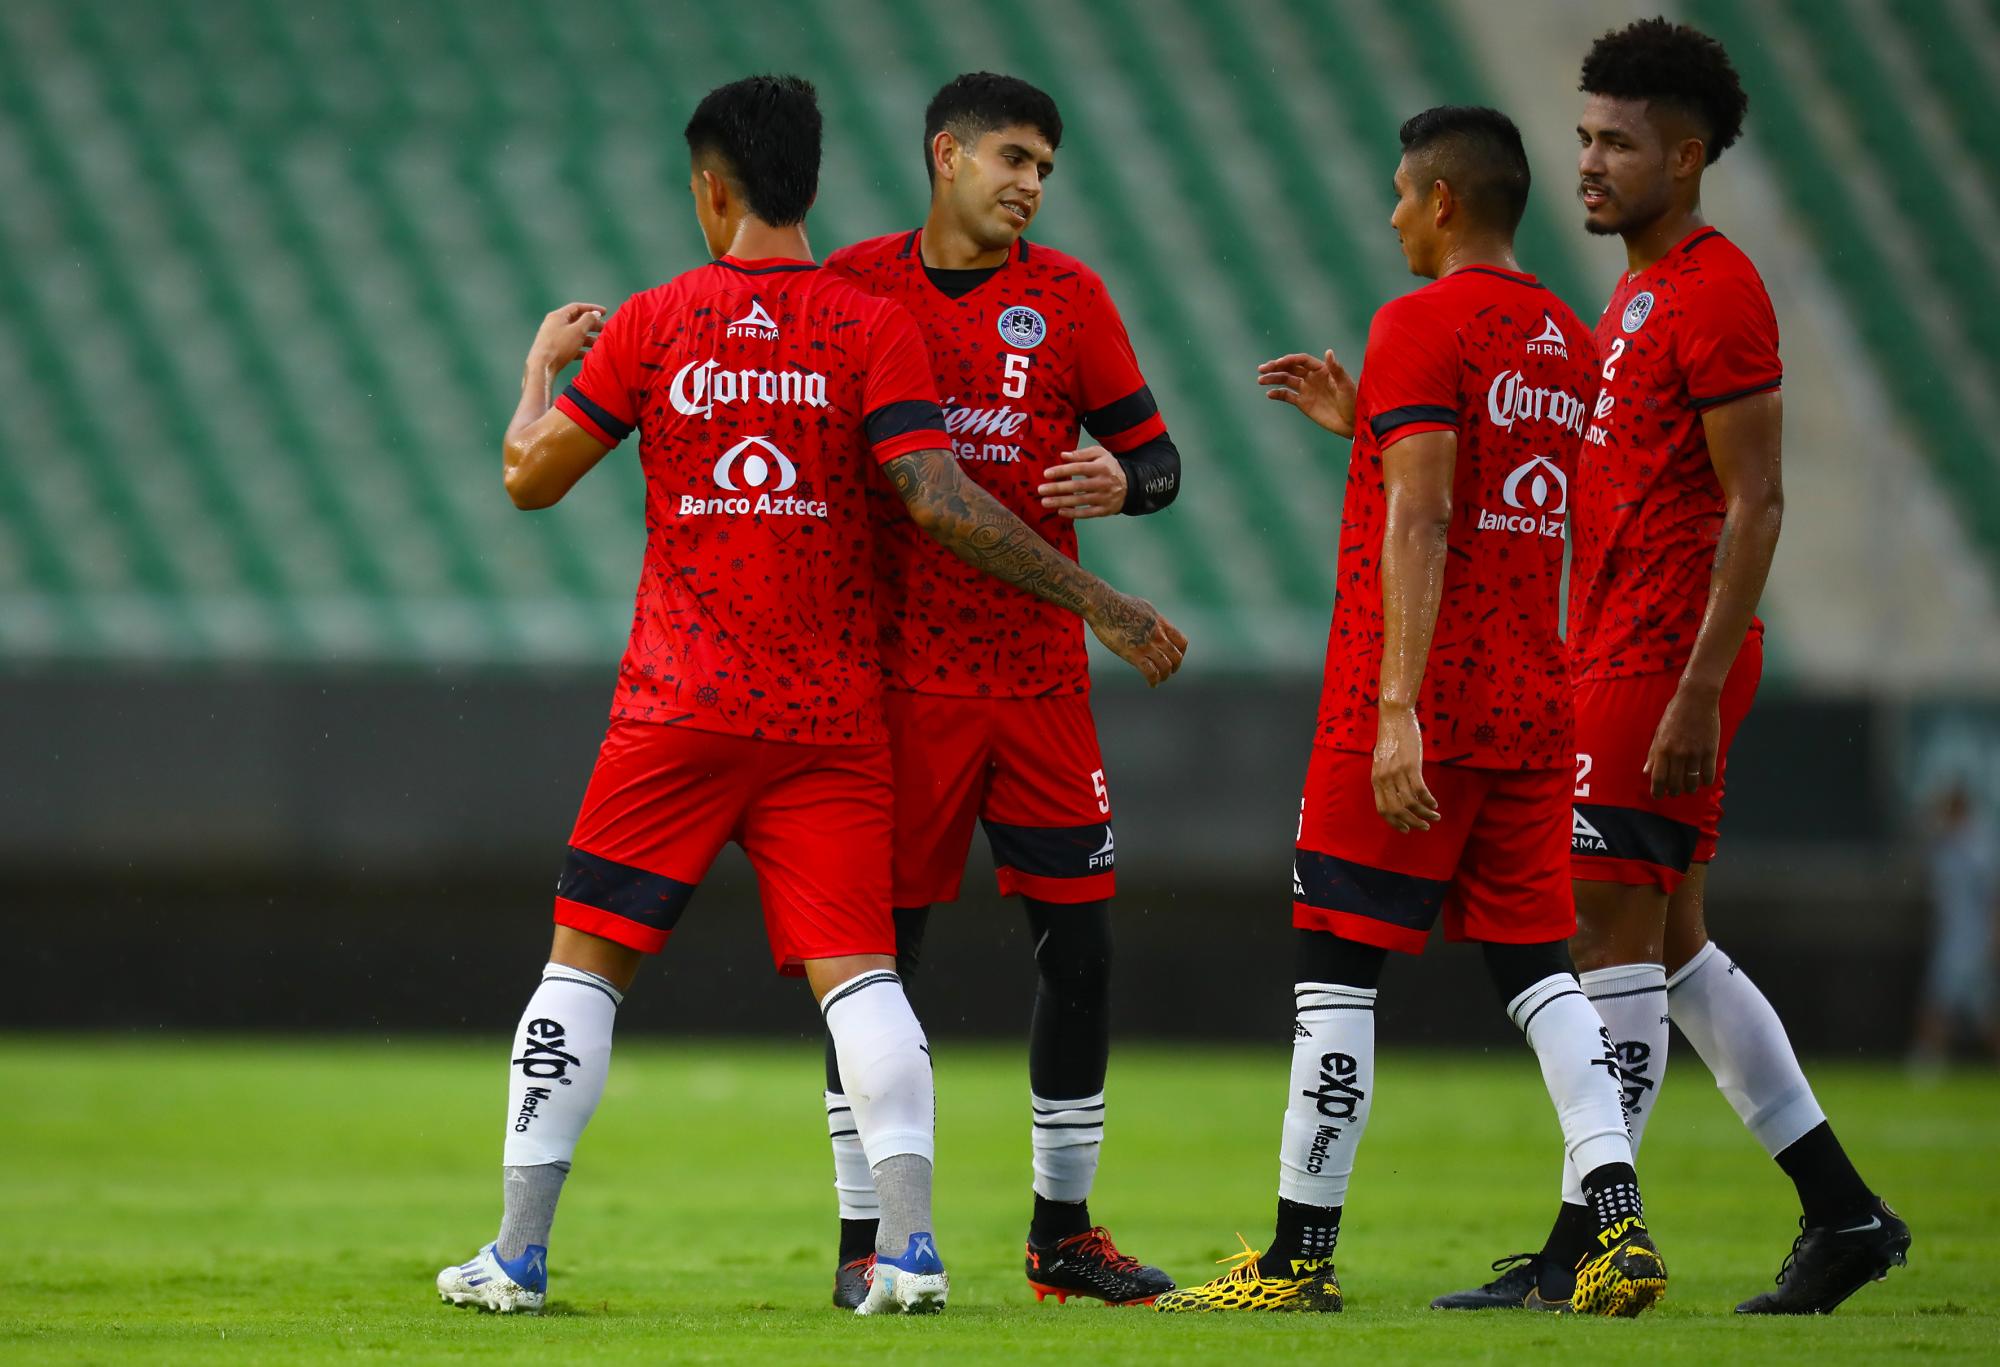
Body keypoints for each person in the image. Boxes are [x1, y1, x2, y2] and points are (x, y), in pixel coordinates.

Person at [433, 74, 1186, 1318]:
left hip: (674, 710)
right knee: (868, 980)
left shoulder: (656, 322)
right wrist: (1101, 601)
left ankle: (513, 1252)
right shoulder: (865, 323)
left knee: (582, 972)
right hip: (830, 720)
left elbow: (528, 480)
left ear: (710, 189)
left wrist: (534, 372)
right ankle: (906, 1251)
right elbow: (938, 500)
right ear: (815, 188)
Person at [1432, 18, 1910, 1316]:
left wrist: (1697, 684)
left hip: (1660, 660)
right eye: (1581, 137)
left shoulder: (1715, 290)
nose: (1586, 162)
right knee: (1678, 947)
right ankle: (1843, 1208)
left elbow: (1757, 504)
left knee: (1601, 938)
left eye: (1616, 143)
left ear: (1686, 156)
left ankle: (1587, 1238)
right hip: (1628, 650)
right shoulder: (1640, 291)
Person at [1154, 106, 1661, 1317]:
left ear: (1441, 202)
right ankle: (1617, 1227)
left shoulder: (1420, 322)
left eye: (1396, 193)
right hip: (1533, 698)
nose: (1387, 213)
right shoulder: (1562, 335)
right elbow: (1500, 498)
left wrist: (1394, 709)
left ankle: (1297, 1256)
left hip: (1416, 695)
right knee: (1540, 969)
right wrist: (1365, 428)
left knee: (1336, 967)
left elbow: (1426, 517)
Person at [815, 71, 1183, 1310]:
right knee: (880, 963)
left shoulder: (1069, 300)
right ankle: (864, 1237)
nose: (1029, 183)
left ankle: (1061, 1233)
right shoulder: (855, 287)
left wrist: (1121, 486)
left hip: (1036, 685)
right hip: (899, 679)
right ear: (946, 155)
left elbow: (1160, 459)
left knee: (1078, 949)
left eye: (1044, 168)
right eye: (1013, 158)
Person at [1910, 780, 1999, 1069]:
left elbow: (1991, 898)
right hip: (1952, 938)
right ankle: (1928, 1058)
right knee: (1979, 1010)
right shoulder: (1946, 846)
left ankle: (1926, 1061)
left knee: (1942, 1003)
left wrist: (1994, 936)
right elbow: (1923, 827)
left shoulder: (1977, 848)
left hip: (1971, 941)